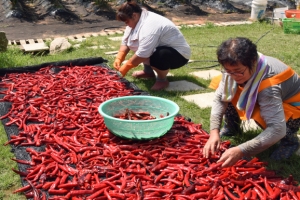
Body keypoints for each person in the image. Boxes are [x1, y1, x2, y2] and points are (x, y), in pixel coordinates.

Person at [203, 37, 300, 167]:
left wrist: (241, 150)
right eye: (228, 71)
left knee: (266, 116)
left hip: (294, 109)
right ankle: (232, 127)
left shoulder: (269, 86)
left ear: (253, 62)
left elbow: (277, 129)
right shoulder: (236, 69)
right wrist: (214, 132)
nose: (232, 75)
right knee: (230, 90)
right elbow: (220, 99)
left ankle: (290, 141)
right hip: (268, 97)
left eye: (238, 72)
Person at [113, 0, 191, 90]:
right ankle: (148, 72)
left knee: (159, 54)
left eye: (126, 21)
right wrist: (119, 57)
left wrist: (126, 67)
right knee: (143, 46)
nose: (126, 24)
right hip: (161, 48)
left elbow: (143, 53)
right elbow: (126, 41)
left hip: (179, 55)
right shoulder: (137, 19)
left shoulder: (150, 25)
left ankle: (162, 80)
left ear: (134, 15)